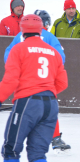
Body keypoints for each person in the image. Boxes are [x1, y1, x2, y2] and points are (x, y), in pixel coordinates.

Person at [0, 14, 68, 162]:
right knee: (37, 154)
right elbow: (63, 82)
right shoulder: (53, 52)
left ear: (22, 29)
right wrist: (46, 91)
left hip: (27, 103)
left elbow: (11, 79)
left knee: (10, 150)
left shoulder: (18, 49)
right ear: (40, 29)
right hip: (50, 105)